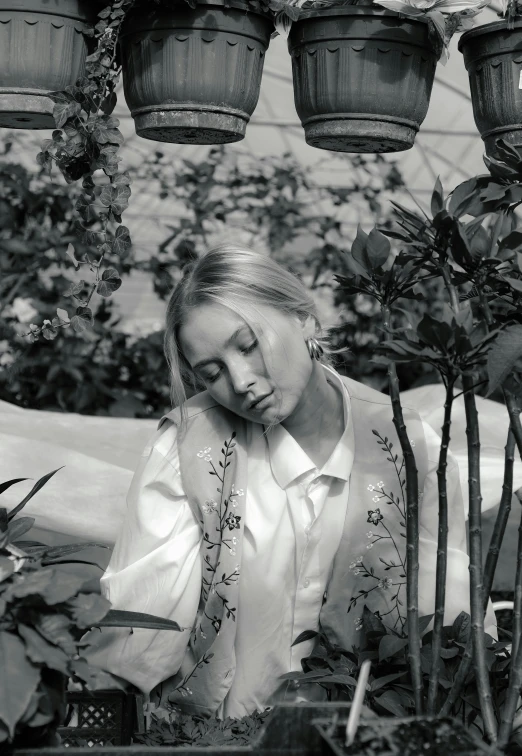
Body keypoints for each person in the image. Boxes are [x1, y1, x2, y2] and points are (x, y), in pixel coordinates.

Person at [86, 243, 490, 719]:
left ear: (304, 318)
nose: (240, 382)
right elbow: (145, 620)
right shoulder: (188, 448)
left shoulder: (408, 442)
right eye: (211, 373)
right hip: (218, 744)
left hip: (369, 744)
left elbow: (449, 616)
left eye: (248, 345)